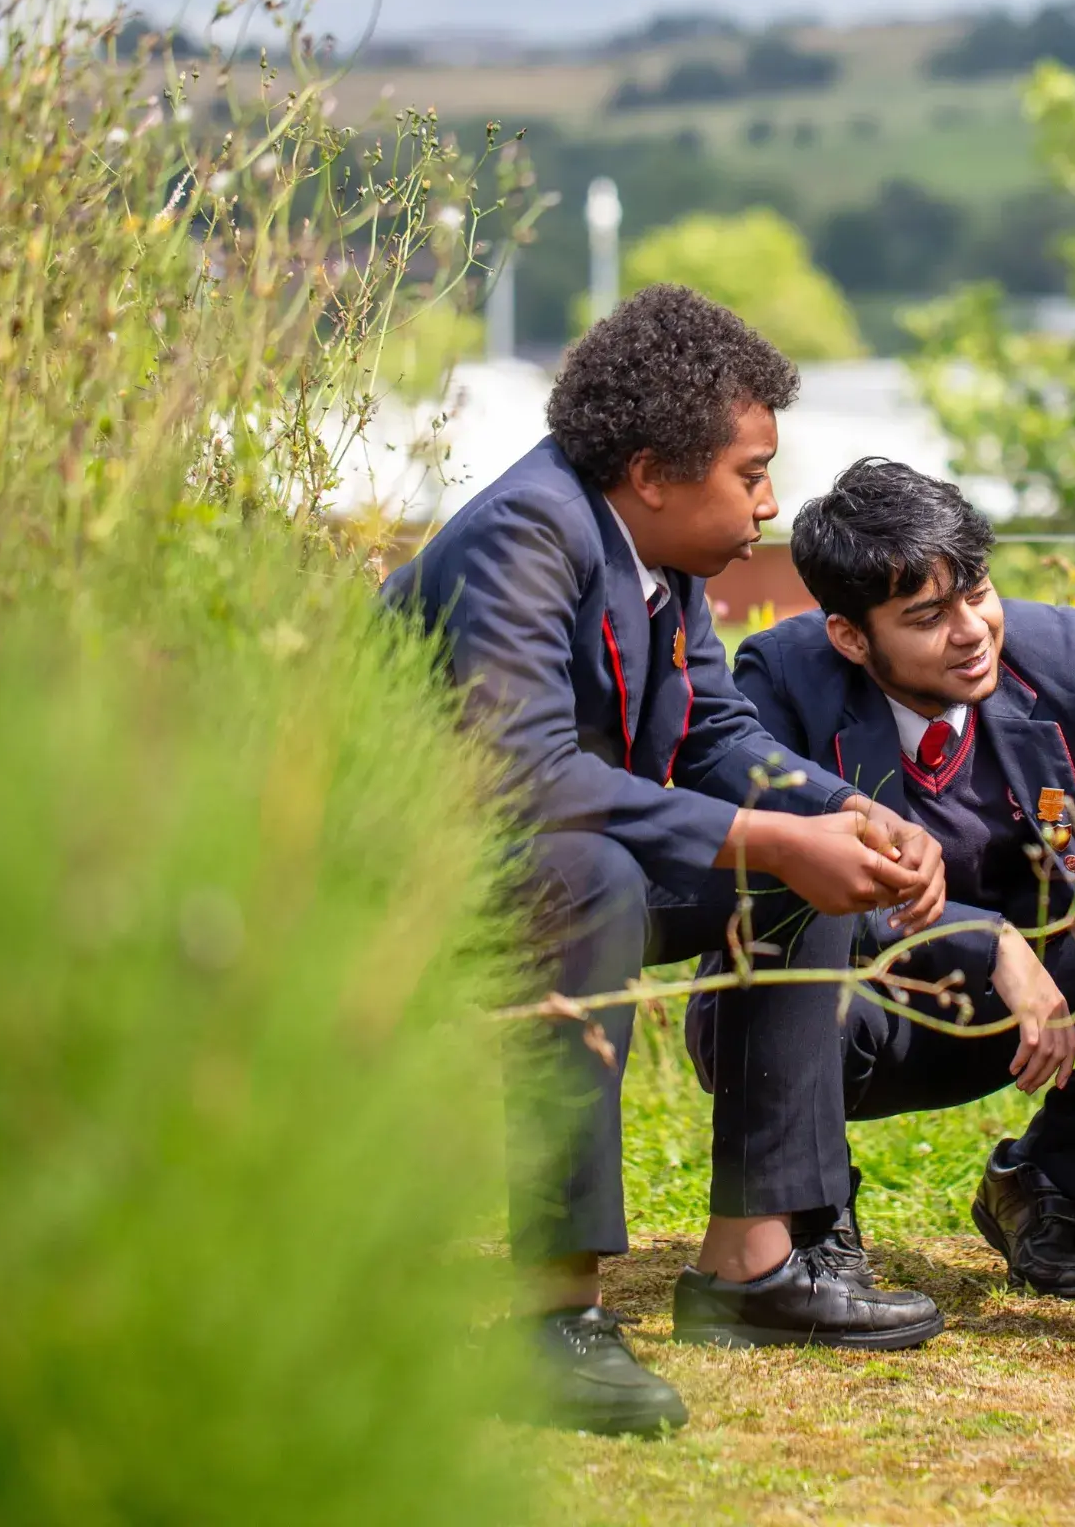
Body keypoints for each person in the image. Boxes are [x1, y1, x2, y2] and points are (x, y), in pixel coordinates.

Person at [385, 286, 949, 1437]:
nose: (770, 503)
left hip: (553, 871)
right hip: (412, 887)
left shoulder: (661, 556)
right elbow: (525, 775)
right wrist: (765, 835)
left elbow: (712, 733)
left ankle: (752, 1267)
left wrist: (839, 813)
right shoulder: (520, 536)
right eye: (751, 474)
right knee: (589, 875)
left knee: (786, 872)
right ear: (653, 469)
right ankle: (554, 1318)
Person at [686, 458, 1075, 1306]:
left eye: (977, 591)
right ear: (852, 637)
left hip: (1027, 1001)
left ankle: (1046, 1186)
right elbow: (795, 891)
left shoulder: (1060, 653)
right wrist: (987, 940)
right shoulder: (783, 678)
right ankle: (814, 1218)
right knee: (797, 952)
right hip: (858, 1006)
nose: (972, 630)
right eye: (928, 616)